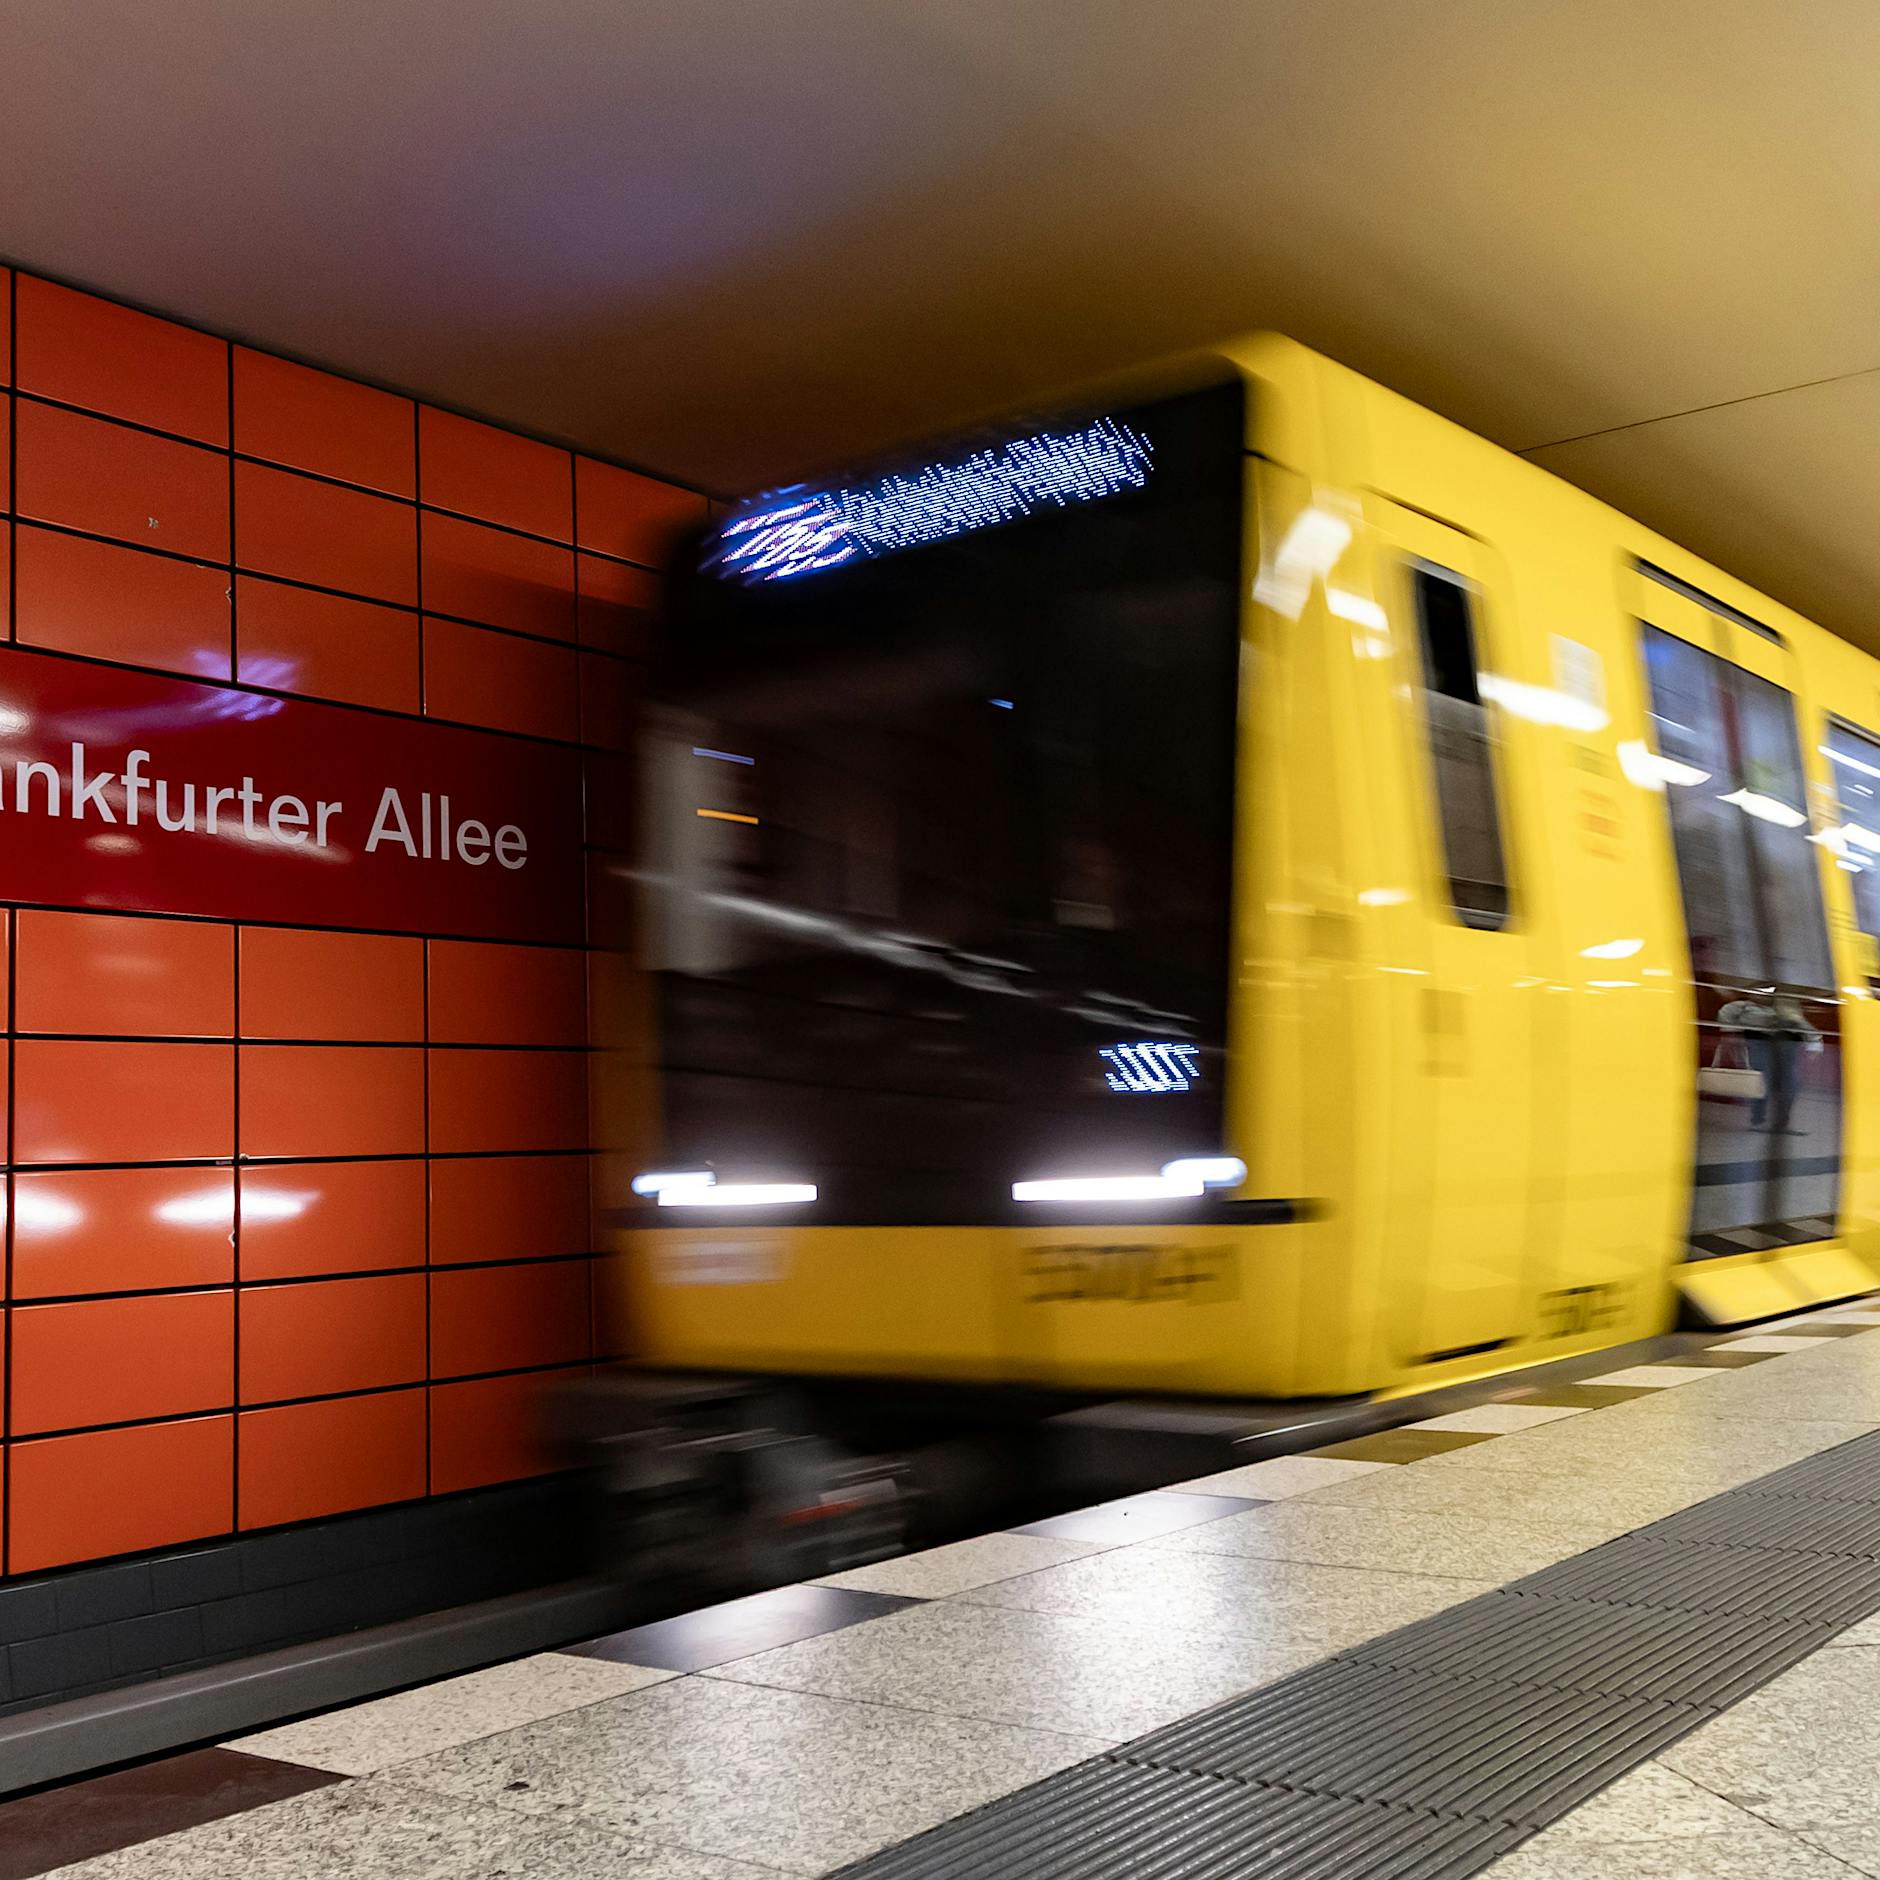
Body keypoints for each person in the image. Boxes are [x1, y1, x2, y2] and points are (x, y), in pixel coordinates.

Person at [1716, 988, 1821, 1133]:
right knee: (1763, 1080)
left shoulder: (1785, 1007)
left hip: (1787, 1042)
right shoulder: (1744, 1006)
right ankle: (1758, 1121)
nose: (1762, 995)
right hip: (1759, 1040)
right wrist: (1730, 1032)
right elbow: (1726, 1013)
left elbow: (1800, 1023)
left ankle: (1781, 1123)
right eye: (1758, 992)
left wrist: (1814, 1041)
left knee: (1790, 1083)